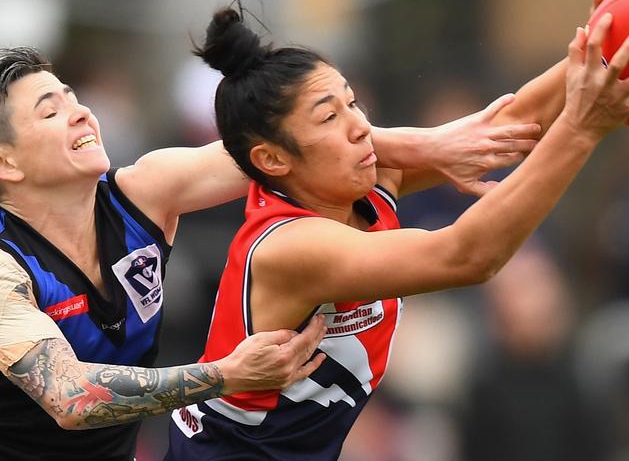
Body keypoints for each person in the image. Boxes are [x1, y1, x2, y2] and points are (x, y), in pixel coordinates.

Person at [0, 38, 541, 461]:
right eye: (50, 112)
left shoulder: (143, 189)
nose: (82, 114)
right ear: (8, 164)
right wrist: (223, 375)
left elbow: (281, 145)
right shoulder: (5, 269)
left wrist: (438, 143)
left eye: (75, 99)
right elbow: (70, 399)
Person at [163, 0, 629, 459]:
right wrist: (583, 128)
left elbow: (510, 130)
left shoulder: (361, 185)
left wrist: (608, 47)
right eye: (329, 116)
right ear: (272, 158)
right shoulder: (289, 246)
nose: (359, 126)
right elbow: (468, 255)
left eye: (353, 104)